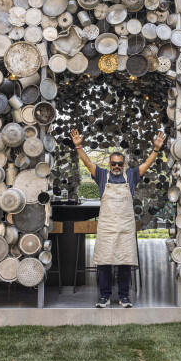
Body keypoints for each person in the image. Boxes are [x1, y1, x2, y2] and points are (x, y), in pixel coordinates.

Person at [70, 128, 166, 308]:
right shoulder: (100, 175)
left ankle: (124, 297)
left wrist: (156, 149)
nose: (116, 167)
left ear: (124, 164)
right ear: (109, 163)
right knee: (104, 261)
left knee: (125, 261)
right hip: (107, 226)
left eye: (119, 164)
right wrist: (78, 146)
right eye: (113, 163)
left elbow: (146, 164)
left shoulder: (131, 175)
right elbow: (87, 161)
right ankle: (104, 296)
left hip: (125, 225)